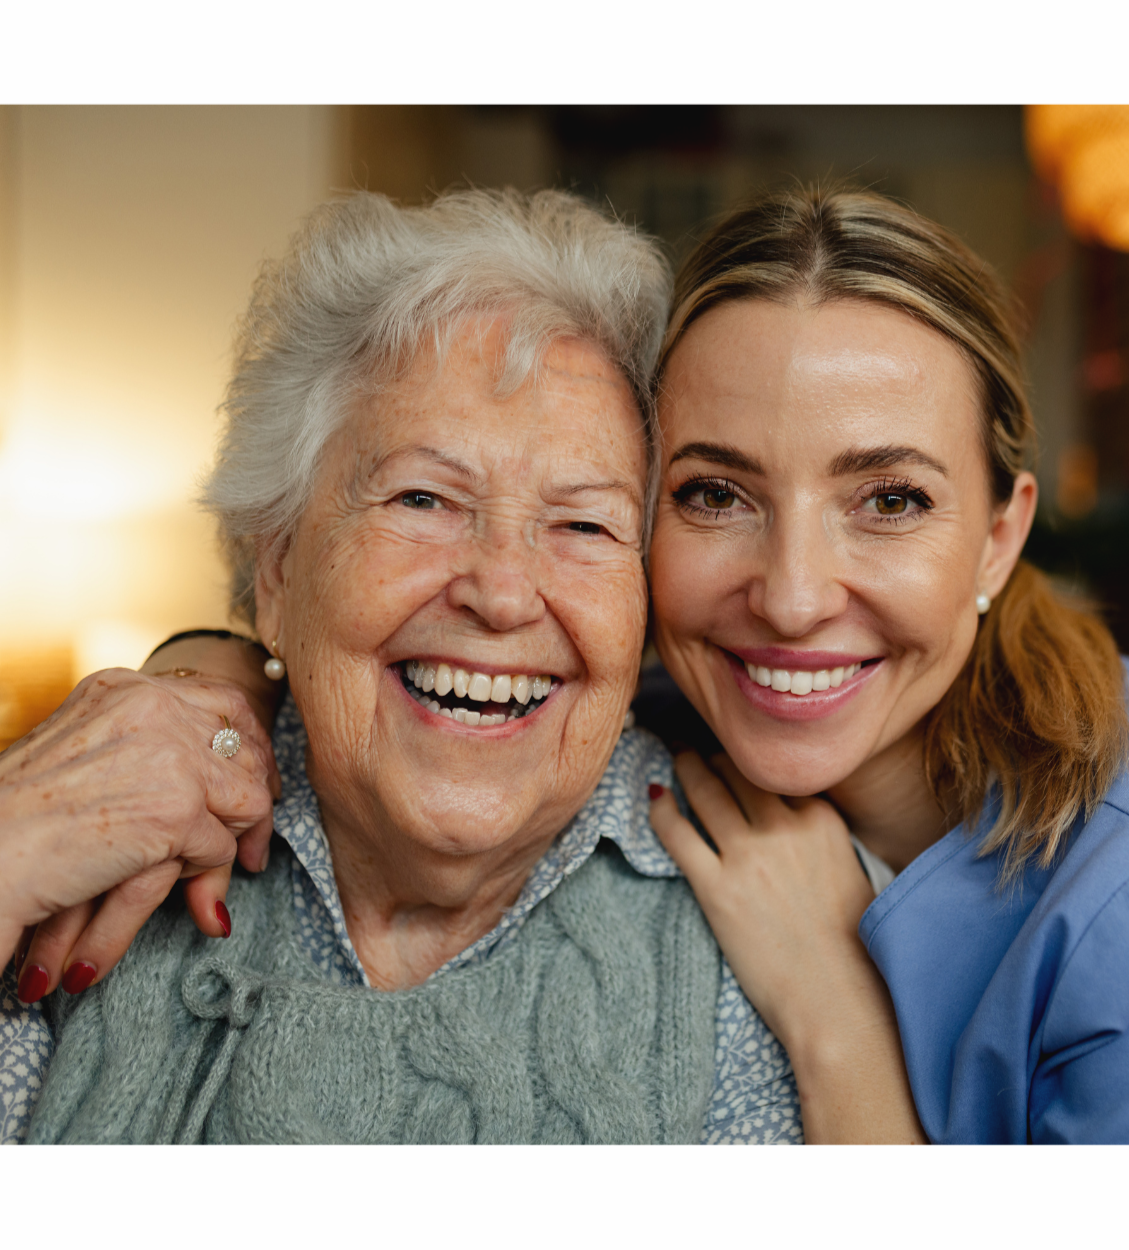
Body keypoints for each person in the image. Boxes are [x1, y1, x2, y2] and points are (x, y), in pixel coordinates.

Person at [7, 186, 1129, 1144]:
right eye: (713, 494)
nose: (785, 596)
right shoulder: (629, 702)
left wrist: (834, 1014)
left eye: (890, 499)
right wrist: (206, 679)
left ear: (999, 534)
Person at [0, 187, 923, 1144]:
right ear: (276, 569)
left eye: (583, 523)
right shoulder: (99, 820)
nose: (504, 591)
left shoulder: (789, 936)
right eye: (423, 500)